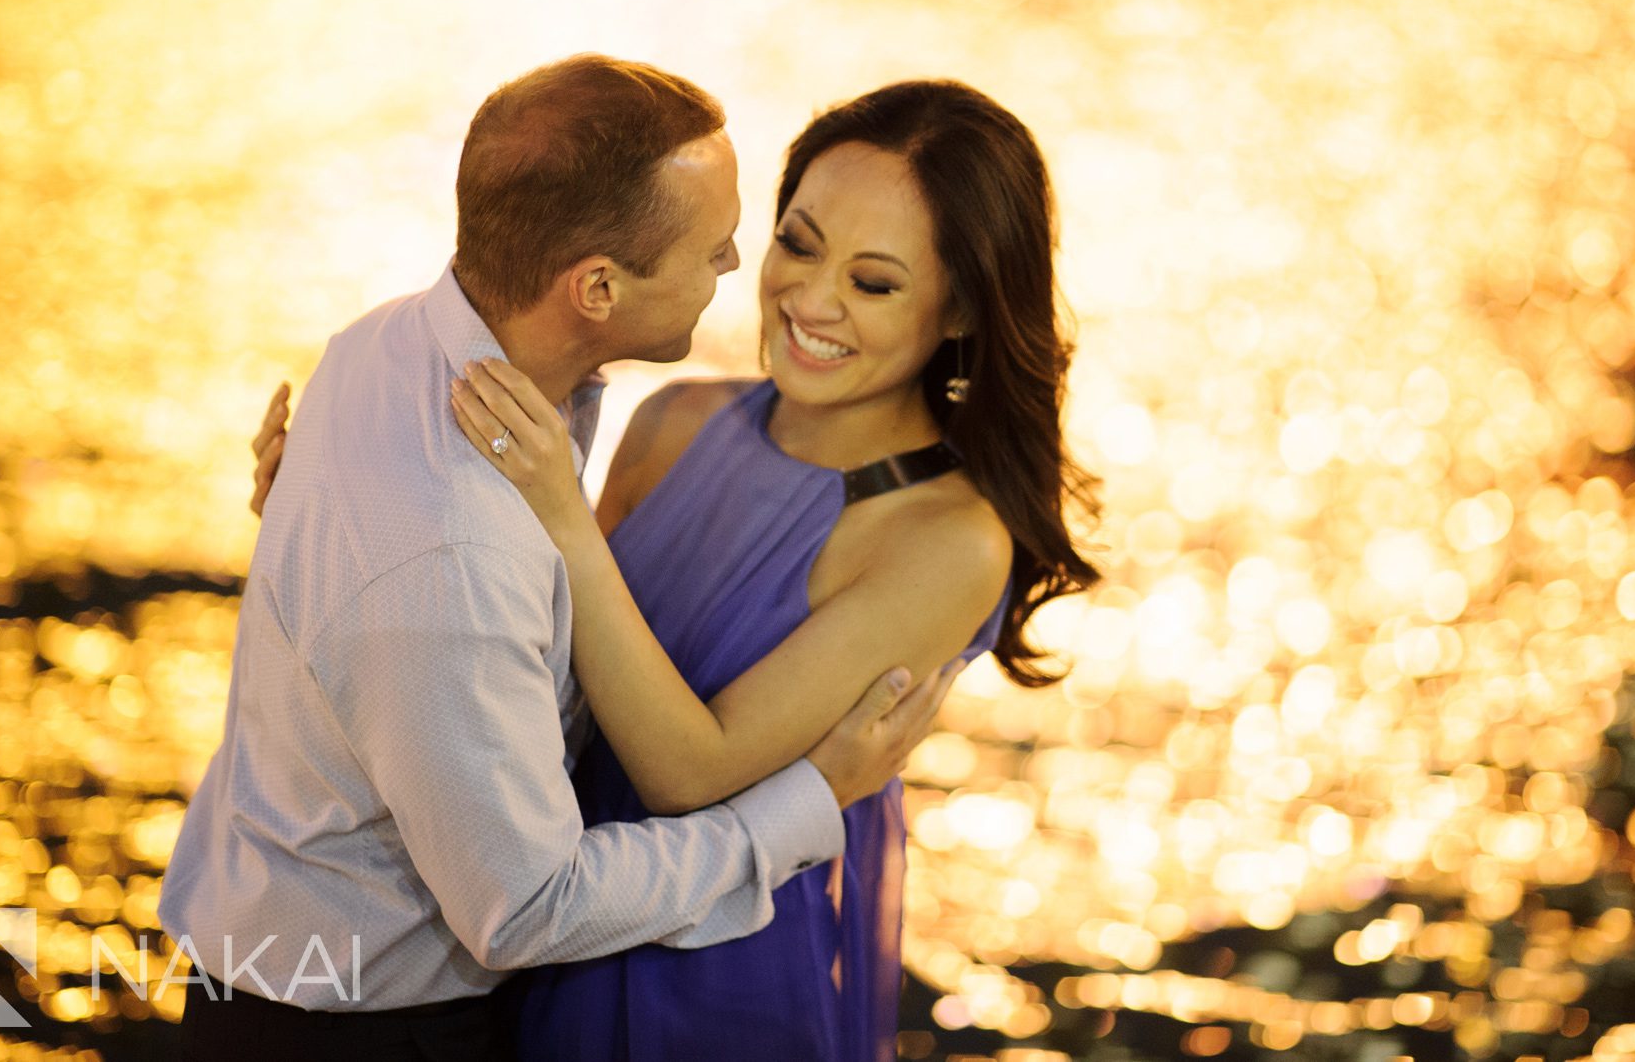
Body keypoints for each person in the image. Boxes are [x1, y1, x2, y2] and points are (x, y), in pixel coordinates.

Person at [252, 80, 1101, 1060]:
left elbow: (686, 768)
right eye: (797, 241)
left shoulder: (943, 538)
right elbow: (538, 682)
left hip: (721, 968)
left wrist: (563, 518)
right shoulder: (674, 421)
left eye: (872, 283)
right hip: (554, 921)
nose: (810, 299)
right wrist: (354, 526)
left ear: (957, 309)